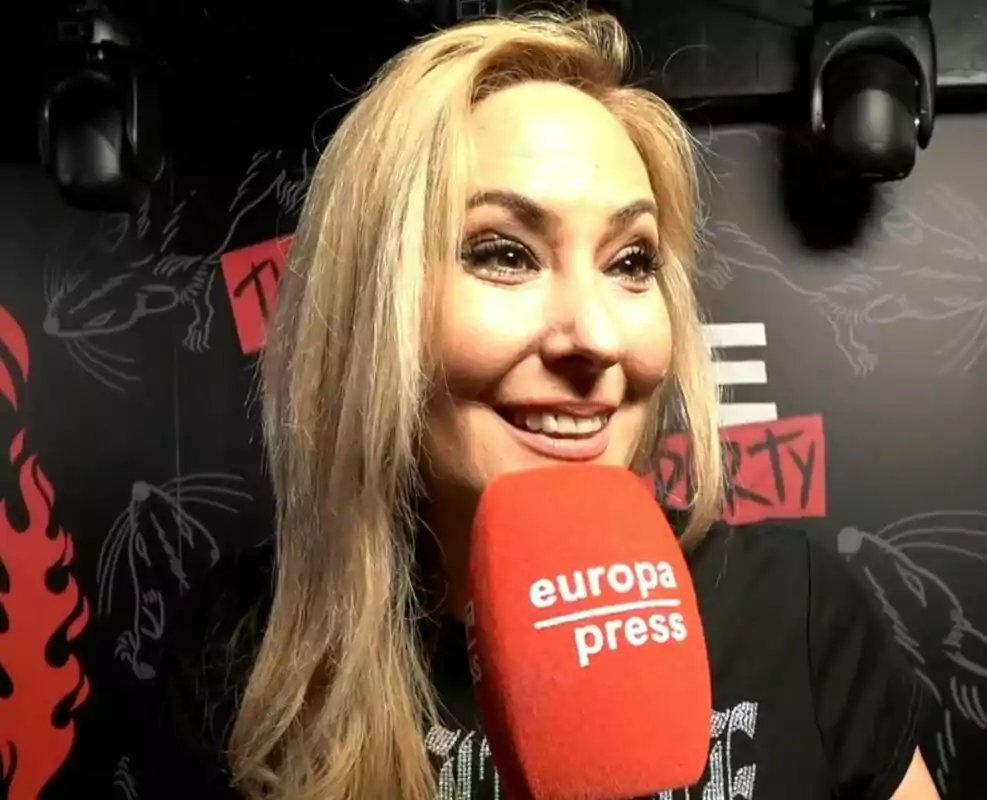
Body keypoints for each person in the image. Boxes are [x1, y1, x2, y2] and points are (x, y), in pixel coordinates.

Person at [153, 11, 940, 800]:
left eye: (631, 261)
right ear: (371, 306)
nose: (594, 336)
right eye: (504, 253)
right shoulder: (237, 649)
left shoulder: (799, 612)